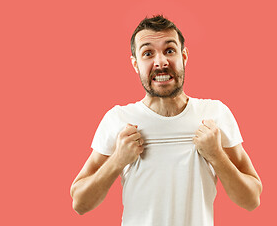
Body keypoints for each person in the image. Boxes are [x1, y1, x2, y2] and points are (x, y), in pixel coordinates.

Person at [70, 15, 262, 226]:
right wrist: (117, 160)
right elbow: (80, 203)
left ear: (184, 56)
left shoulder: (214, 114)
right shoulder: (118, 119)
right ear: (135, 64)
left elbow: (251, 200)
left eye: (169, 50)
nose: (160, 61)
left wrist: (216, 156)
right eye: (148, 53)